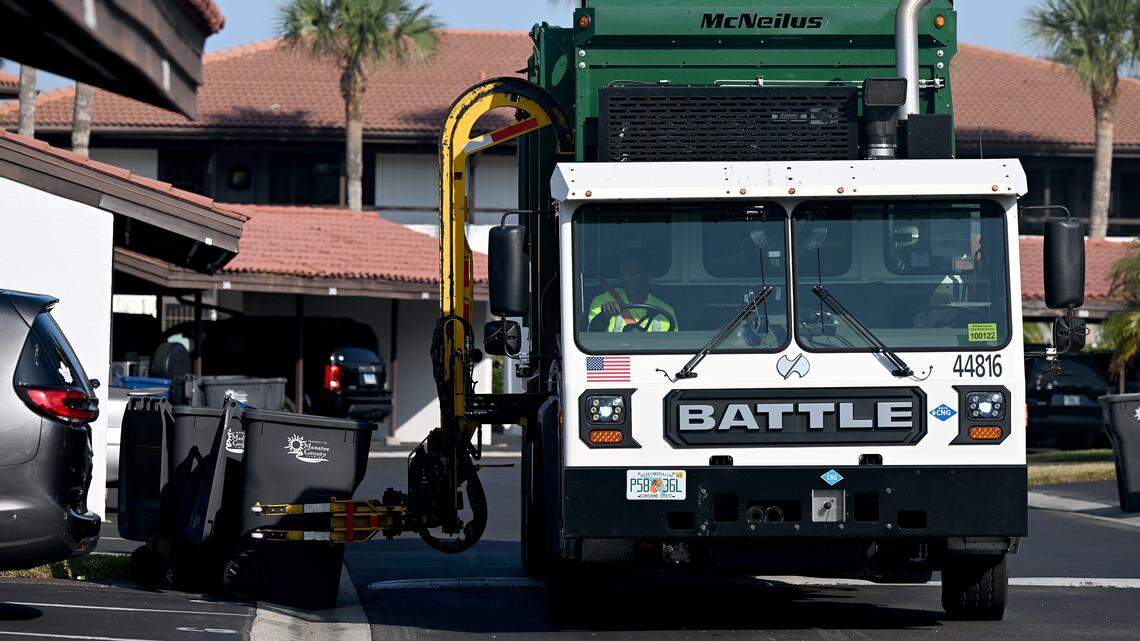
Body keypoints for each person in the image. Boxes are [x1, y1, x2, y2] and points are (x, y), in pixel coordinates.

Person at [587, 255, 678, 332]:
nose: (626, 278)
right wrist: (604, 317)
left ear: (648, 275)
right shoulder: (603, 301)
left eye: (633, 273)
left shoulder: (666, 310)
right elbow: (593, 334)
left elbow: (673, 344)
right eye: (623, 274)